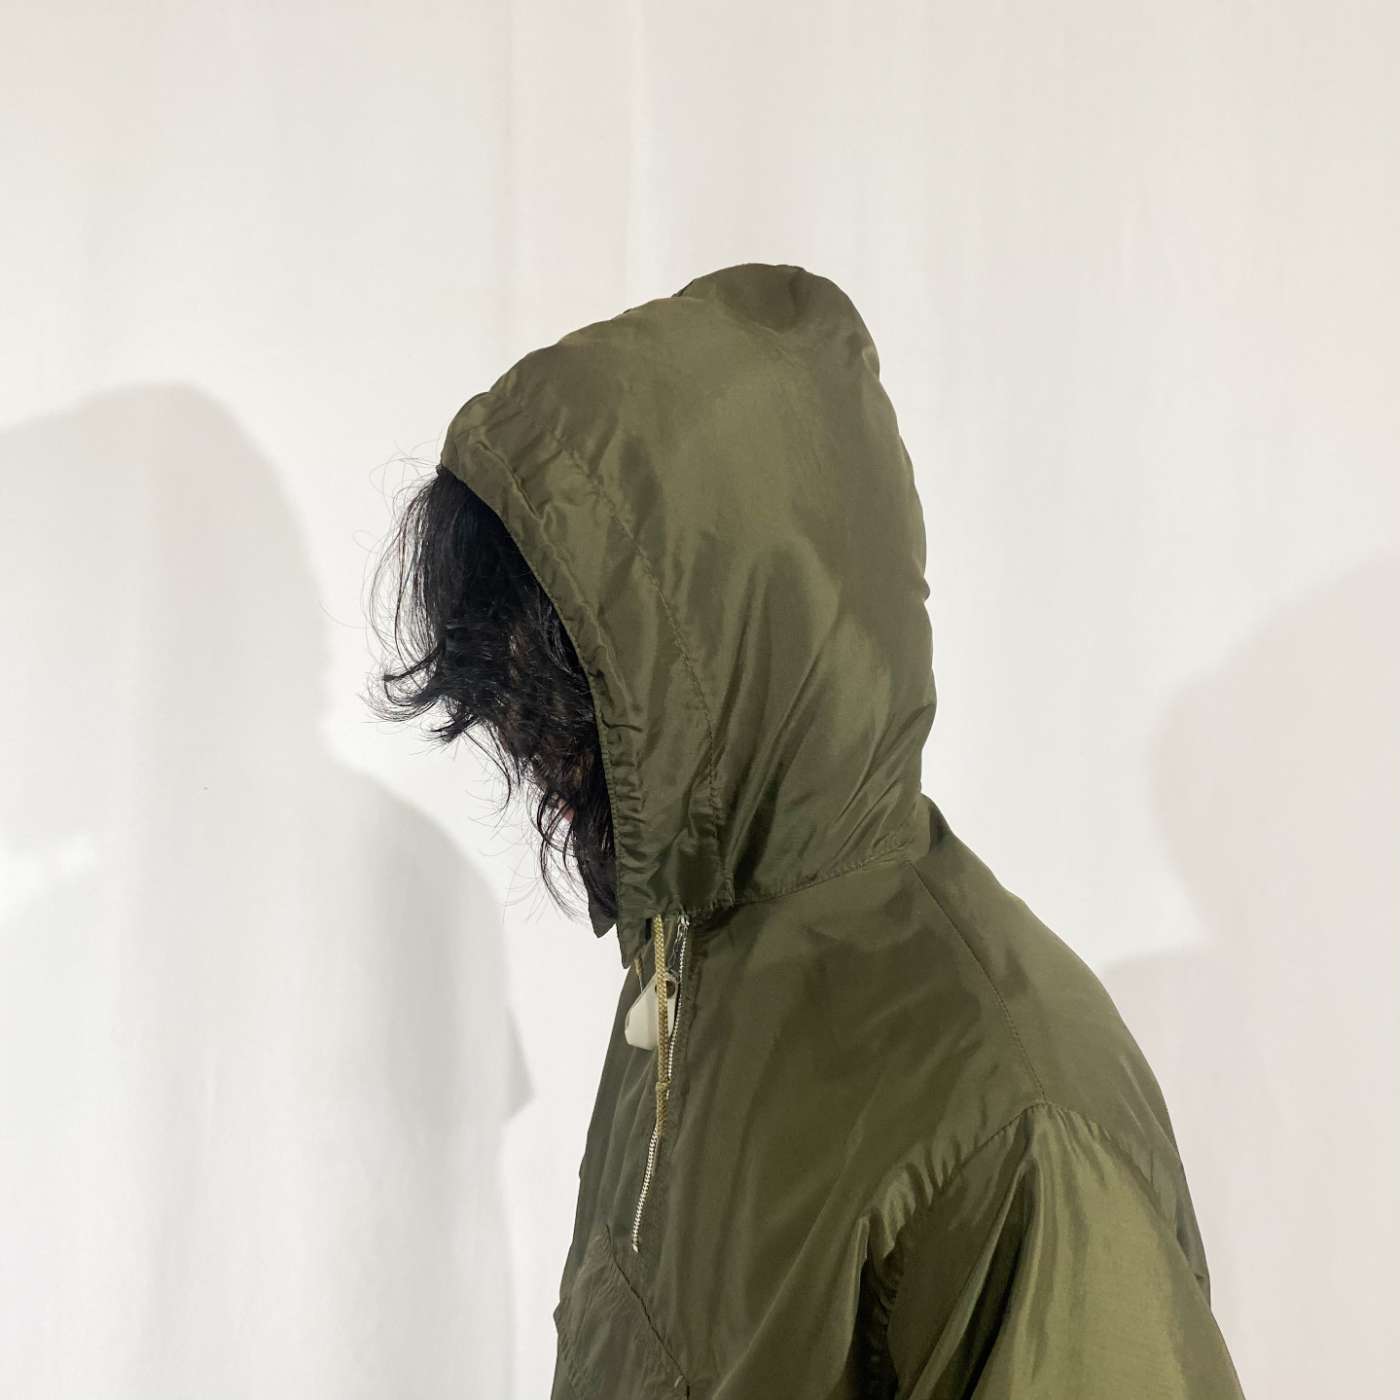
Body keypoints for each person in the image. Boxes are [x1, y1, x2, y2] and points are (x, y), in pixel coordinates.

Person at [368, 262, 1247, 1398]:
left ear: (701, 674)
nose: (537, 760)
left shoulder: (1021, 1117)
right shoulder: (693, 976)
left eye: (561, 702)